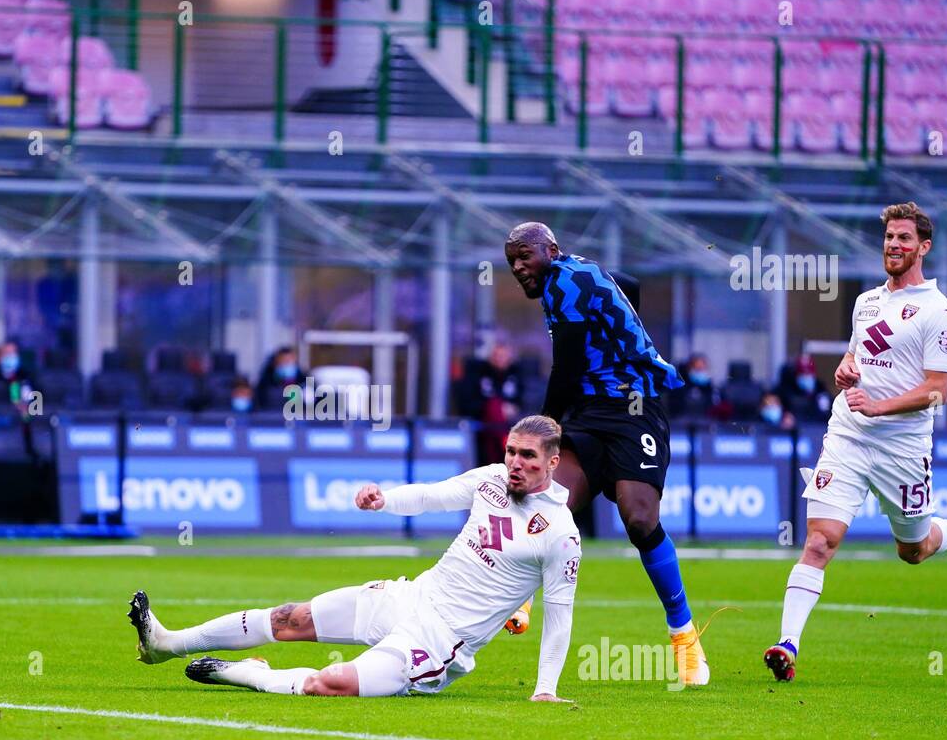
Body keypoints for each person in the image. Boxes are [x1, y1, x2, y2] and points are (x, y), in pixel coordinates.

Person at [126, 416, 584, 700]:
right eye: (510, 452)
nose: (515, 464)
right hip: (410, 597)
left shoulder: (561, 534)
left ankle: (249, 675)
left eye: (527, 456)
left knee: (332, 684)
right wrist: (384, 499)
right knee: (291, 619)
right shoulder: (489, 479)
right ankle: (165, 644)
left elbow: (559, 617)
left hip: (438, 641)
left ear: (552, 462)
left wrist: (545, 690)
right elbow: (431, 496)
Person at [765, 203, 947, 682]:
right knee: (821, 540)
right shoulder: (866, 302)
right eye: (889, 238)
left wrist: (880, 407)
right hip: (848, 434)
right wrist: (844, 370)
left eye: (904, 239)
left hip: (902, 448)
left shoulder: (940, 313)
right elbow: (856, 357)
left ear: (923, 247)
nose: (894, 246)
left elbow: (936, 391)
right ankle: (787, 645)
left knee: (914, 550)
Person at [503, 222, 709, 685]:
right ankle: (522, 595)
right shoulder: (576, 276)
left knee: (639, 519)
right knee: (550, 497)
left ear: (551, 251)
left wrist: (541, 428)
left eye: (525, 256)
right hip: (591, 409)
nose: (518, 267)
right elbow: (627, 285)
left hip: (635, 405)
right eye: (511, 260)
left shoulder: (569, 280)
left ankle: (685, 637)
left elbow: (567, 367)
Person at [457, 341, 525, 464]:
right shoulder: (479, 373)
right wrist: (498, 407)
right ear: (490, 357)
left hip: (510, 423)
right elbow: (469, 400)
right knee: (493, 406)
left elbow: (522, 402)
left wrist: (511, 408)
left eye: (503, 356)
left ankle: (505, 447)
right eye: (496, 356)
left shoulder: (517, 375)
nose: (499, 360)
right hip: (483, 421)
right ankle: (505, 446)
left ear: (510, 358)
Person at [775, 354, 832, 423]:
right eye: (803, 374)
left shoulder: (821, 390)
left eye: (809, 373)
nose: (806, 377)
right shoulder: (785, 391)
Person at [254, 346, 305, 413]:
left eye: (289, 360)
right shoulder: (265, 383)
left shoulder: (304, 381)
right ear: (276, 362)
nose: (287, 363)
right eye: (284, 360)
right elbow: (259, 404)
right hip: (272, 419)